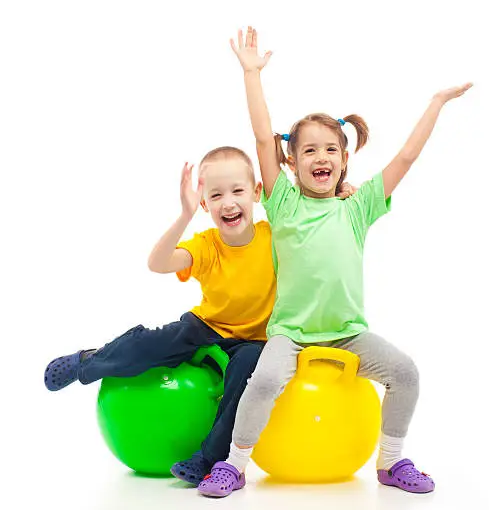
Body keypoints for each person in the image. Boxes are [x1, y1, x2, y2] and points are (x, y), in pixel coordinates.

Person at [198, 26, 473, 497]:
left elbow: (406, 157)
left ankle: (390, 462)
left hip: (347, 332)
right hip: (290, 333)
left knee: (405, 372)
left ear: (344, 160)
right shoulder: (282, 203)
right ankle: (235, 464)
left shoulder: (358, 206)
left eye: (330, 150)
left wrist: (435, 103)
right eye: (309, 150)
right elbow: (263, 140)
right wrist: (252, 75)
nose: (320, 157)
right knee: (262, 382)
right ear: (293, 161)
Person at [43, 144, 357, 484]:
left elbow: (316, 223)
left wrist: (339, 196)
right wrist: (184, 215)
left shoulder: (276, 236)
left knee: (243, 381)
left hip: (254, 340)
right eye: (216, 195)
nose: (229, 202)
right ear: (206, 203)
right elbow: (158, 263)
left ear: (256, 194)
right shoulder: (206, 244)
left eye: (238, 191)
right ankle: (87, 361)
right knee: (150, 343)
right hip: (205, 327)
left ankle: (208, 459)